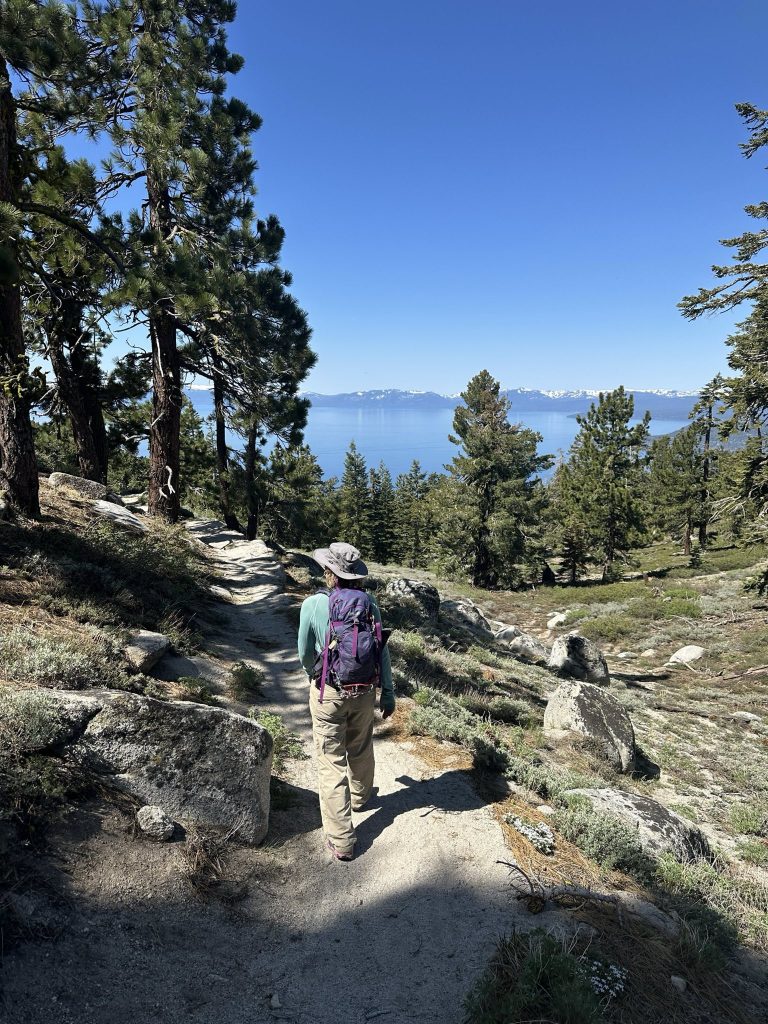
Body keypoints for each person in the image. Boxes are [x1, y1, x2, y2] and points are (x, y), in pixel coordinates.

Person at [297, 542, 395, 861]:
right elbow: (381, 651)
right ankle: (360, 797)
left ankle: (342, 840)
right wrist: (388, 692)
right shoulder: (370, 604)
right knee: (361, 746)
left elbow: (303, 652)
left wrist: (314, 674)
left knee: (331, 762)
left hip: (329, 692)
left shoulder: (313, 604)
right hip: (364, 691)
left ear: (329, 572)